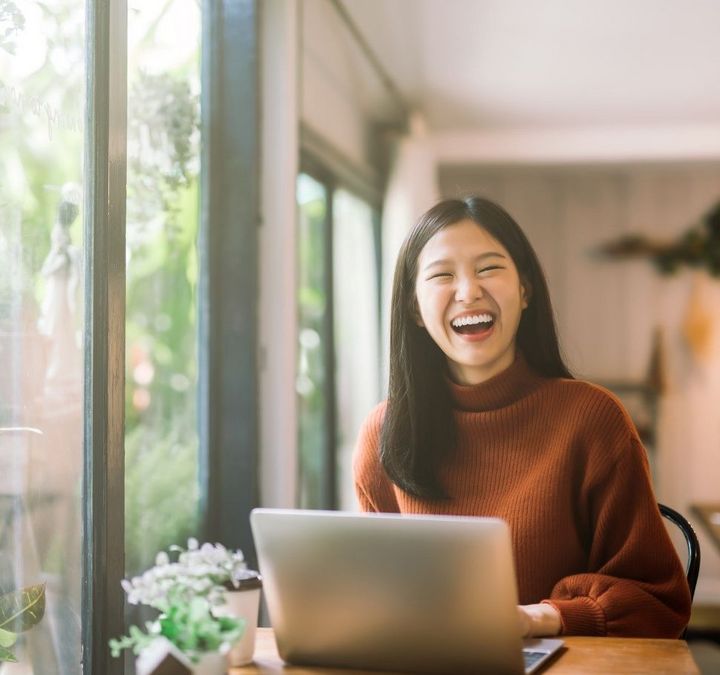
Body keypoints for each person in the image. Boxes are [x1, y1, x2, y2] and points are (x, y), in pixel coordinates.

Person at [353, 196, 691, 639]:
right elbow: (376, 593)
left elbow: (659, 602)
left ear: (526, 289)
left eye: (489, 268)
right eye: (441, 275)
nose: (468, 290)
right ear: (415, 309)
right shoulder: (386, 433)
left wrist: (541, 618)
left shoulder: (592, 419)